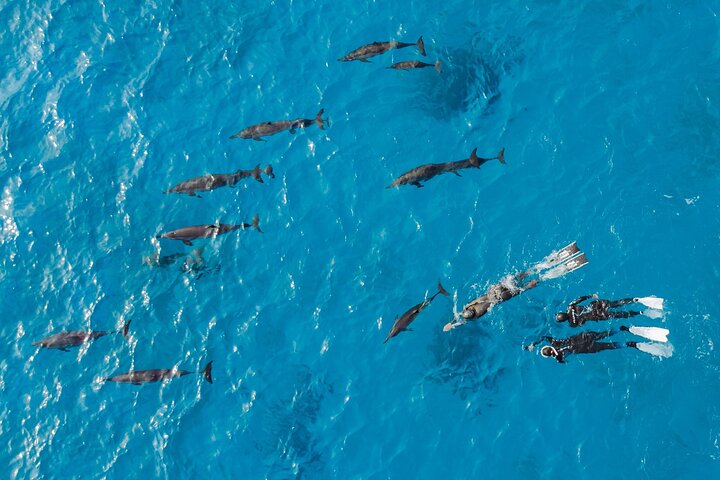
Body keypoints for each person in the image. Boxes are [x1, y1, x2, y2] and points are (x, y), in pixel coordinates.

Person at [443, 242, 588, 331]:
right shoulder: (468, 307)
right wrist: (451, 323)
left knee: (522, 288)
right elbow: (460, 316)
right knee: (524, 274)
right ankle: (541, 266)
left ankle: (538, 279)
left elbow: (462, 321)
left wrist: (452, 325)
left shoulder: (475, 316)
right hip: (497, 288)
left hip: (501, 297)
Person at [526, 325, 671, 362]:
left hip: (588, 347)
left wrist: (558, 357)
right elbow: (544, 337)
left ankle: (630, 344)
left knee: (610, 346)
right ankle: (623, 328)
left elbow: (563, 360)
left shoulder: (559, 357)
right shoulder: (555, 342)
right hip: (584, 337)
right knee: (604, 333)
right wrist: (534, 344)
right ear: (549, 347)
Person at [556, 294, 665, 326]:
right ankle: (634, 300)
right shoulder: (570, 307)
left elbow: (582, 323)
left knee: (618, 314)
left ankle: (639, 313)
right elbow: (580, 299)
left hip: (597, 315)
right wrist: (591, 296)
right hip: (596, 306)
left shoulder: (572, 323)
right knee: (615, 303)